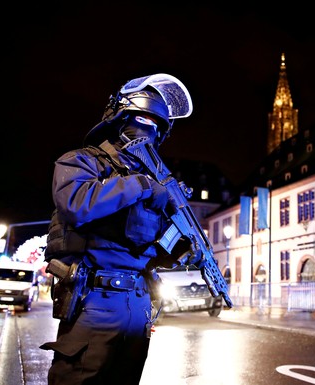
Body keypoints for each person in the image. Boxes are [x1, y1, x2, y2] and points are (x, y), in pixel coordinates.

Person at [40, 73, 197, 385]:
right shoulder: (83, 161)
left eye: (156, 124)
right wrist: (140, 185)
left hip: (138, 304)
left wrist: (182, 242)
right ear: (119, 118)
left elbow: (155, 252)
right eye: (141, 118)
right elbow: (76, 204)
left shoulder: (157, 189)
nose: (148, 128)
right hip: (95, 299)